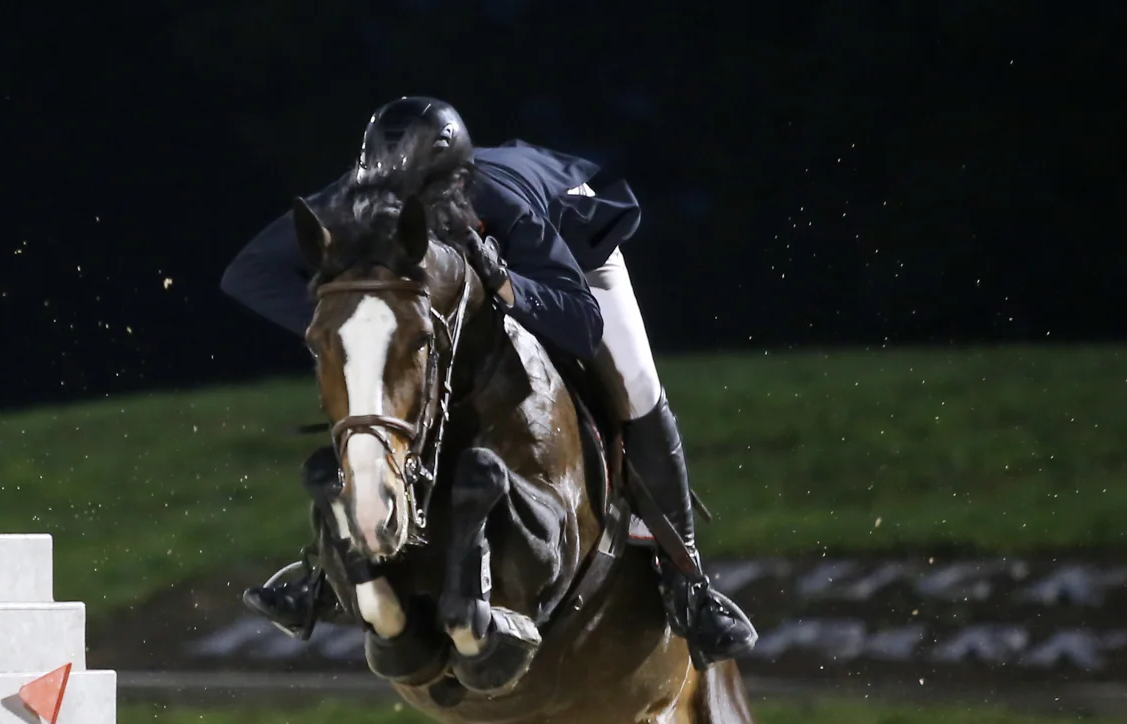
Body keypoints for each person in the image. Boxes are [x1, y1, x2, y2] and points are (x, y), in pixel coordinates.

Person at [221, 95, 757, 666]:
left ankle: (687, 579)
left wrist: (507, 285)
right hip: (438, 295)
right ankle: (327, 569)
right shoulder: (356, 199)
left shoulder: (498, 201)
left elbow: (580, 321)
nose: (397, 206)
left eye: (414, 199)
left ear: (449, 185)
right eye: (387, 194)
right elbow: (249, 273)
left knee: (636, 387)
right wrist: (357, 327)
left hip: (571, 258)